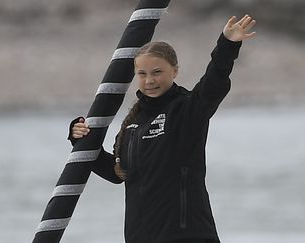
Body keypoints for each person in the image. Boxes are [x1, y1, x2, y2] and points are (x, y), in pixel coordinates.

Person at [68, 15, 256, 243]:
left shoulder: (187, 110)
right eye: (142, 74)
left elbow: (214, 81)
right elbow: (116, 174)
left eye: (157, 72)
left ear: (174, 71)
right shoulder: (131, 125)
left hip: (189, 236)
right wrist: (81, 141)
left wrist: (228, 44)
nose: (149, 81)